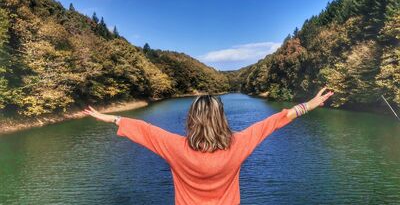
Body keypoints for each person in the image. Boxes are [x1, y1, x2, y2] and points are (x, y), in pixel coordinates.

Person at [82, 87, 334, 205]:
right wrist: (309, 105)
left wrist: (111, 117)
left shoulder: (174, 146)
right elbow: (274, 122)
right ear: (221, 118)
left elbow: (143, 130)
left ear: (192, 119)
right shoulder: (238, 143)